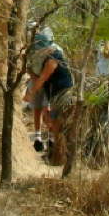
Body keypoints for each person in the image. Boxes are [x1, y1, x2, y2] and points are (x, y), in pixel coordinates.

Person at [25, 33, 73, 165]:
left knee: (56, 125)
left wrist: (30, 93)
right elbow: (38, 77)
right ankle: (55, 155)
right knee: (52, 123)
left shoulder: (53, 59)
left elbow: (42, 79)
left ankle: (58, 157)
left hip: (63, 95)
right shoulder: (45, 60)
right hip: (54, 96)